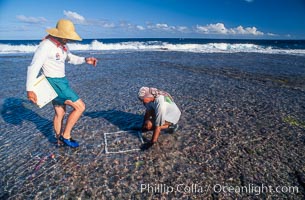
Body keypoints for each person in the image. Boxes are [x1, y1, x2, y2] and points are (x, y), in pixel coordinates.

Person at [26, 19, 98, 148]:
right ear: (59, 34)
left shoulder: (63, 45)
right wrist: (29, 89)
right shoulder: (46, 46)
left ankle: (59, 140)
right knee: (80, 107)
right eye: (67, 36)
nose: (69, 39)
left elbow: (70, 58)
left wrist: (85, 59)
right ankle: (66, 136)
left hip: (62, 81)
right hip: (54, 82)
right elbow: (34, 67)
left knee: (60, 113)